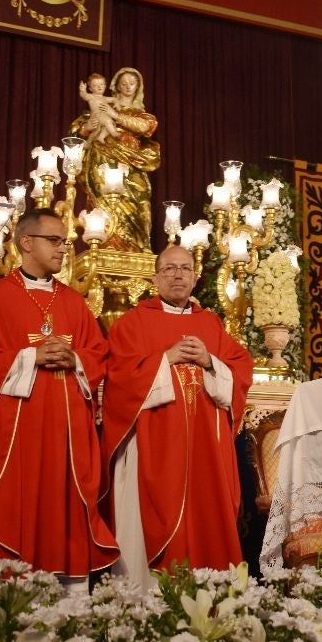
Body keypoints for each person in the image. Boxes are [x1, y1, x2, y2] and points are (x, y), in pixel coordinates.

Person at [0, 208, 118, 587]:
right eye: (54, 241)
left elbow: (99, 355)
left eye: (65, 243)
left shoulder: (74, 302)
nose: (63, 250)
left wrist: (75, 358)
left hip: (66, 442)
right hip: (14, 441)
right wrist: (29, 356)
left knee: (63, 518)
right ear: (26, 243)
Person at [102, 245, 254, 582]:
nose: (178, 275)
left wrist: (209, 361)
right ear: (155, 277)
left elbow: (240, 367)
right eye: (169, 268)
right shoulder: (133, 323)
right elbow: (119, 380)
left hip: (205, 454)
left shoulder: (210, 324)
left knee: (206, 521)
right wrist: (165, 358)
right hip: (153, 447)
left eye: (185, 268)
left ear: (195, 278)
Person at [70, 67, 161, 253]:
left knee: (139, 202)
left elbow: (145, 127)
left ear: (138, 87)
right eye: (124, 83)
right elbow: (74, 135)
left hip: (131, 163)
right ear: (116, 86)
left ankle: (137, 248)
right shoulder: (100, 106)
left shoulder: (139, 114)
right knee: (103, 203)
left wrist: (116, 116)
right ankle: (105, 245)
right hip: (101, 161)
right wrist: (86, 127)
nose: (128, 87)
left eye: (132, 83)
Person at [78, 73, 119, 143]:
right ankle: (114, 133)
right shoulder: (91, 97)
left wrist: (117, 103)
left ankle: (100, 137)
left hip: (104, 116)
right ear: (90, 88)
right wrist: (83, 91)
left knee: (107, 126)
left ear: (105, 86)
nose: (99, 87)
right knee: (108, 121)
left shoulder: (105, 98)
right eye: (95, 86)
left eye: (101, 84)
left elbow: (113, 99)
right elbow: (84, 96)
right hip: (97, 115)